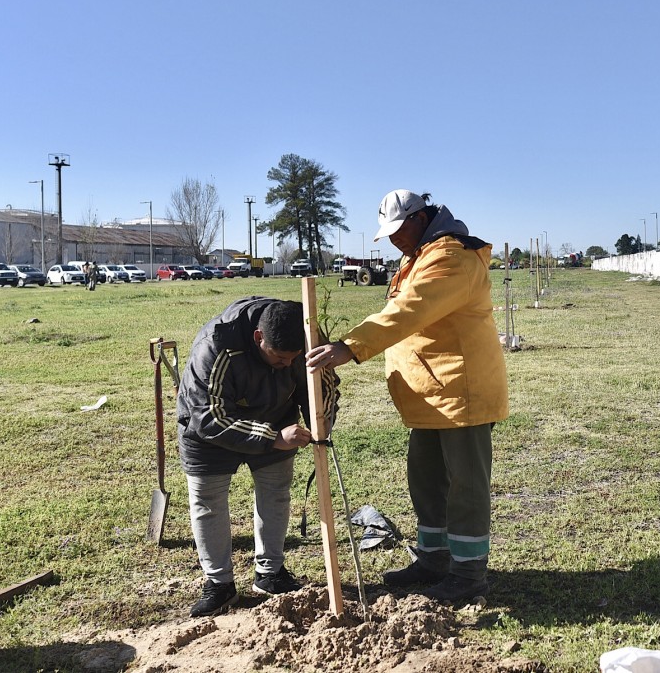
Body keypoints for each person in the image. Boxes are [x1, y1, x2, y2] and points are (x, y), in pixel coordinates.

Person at [306, 190, 508, 603]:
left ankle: (468, 575)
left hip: (460, 393)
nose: (395, 239)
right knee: (426, 480)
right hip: (431, 395)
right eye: (389, 234)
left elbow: (409, 310)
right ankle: (434, 559)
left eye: (399, 230)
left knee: (466, 486)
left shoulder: (451, 257)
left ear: (420, 219)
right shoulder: (417, 255)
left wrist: (351, 346)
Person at [177, 296, 316, 617]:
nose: (287, 364)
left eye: (293, 358)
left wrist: (321, 420)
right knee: (208, 502)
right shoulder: (215, 347)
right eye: (279, 357)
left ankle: (270, 574)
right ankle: (219, 584)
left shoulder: (303, 334)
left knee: (276, 493)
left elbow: (318, 385)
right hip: (208, 429)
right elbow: (209, 417)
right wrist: (273, 438)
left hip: (276, 416)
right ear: (258, 338)